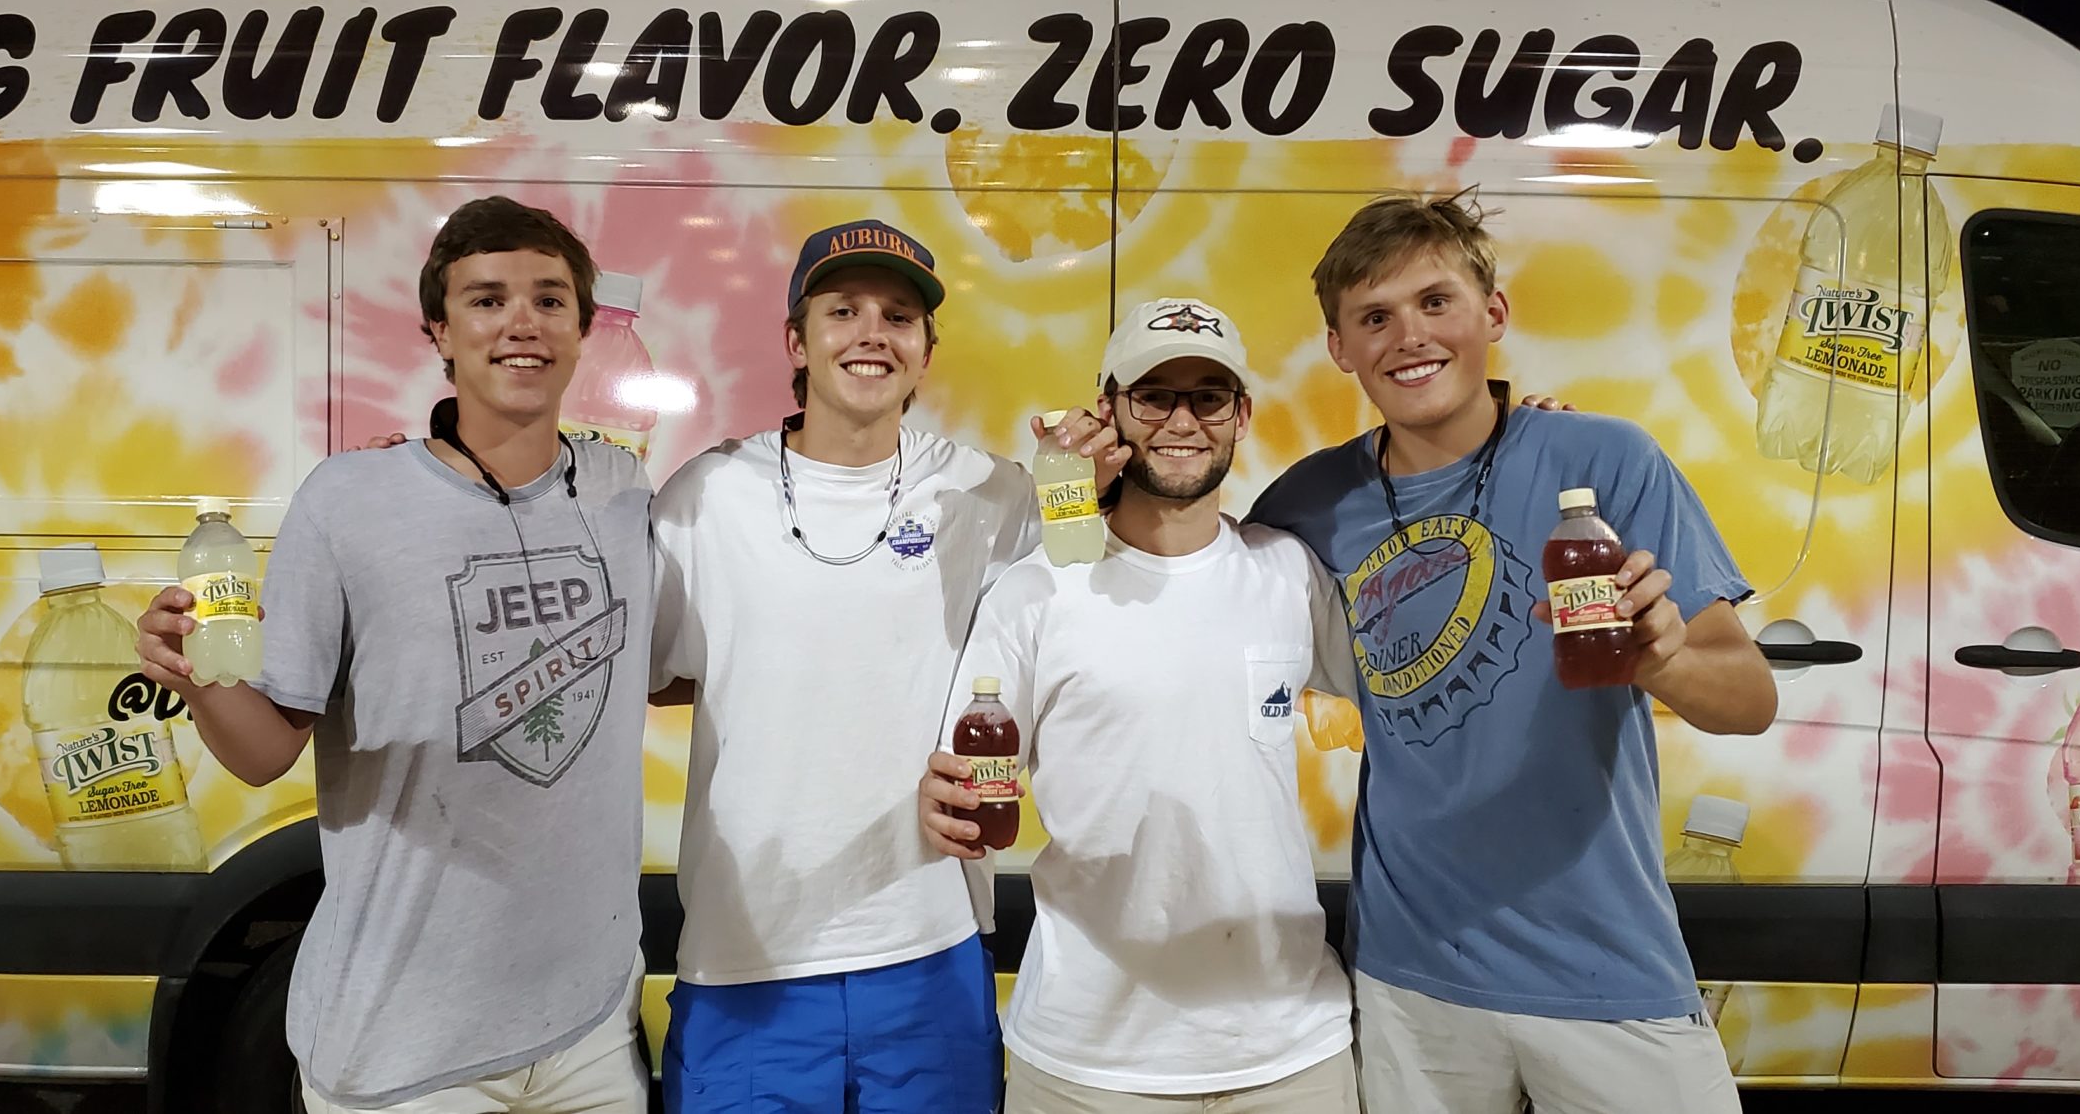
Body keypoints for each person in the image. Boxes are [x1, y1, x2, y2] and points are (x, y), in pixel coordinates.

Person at [1245, 189, 1779, 1113]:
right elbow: (1187, 584)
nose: (1409, 336)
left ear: (1493, 314)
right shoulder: (1309, 503)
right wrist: (1070, 490)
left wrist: (1665, 664)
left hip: (1606, 965)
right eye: (1374, 317)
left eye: (1435, 302)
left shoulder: (1605, 461)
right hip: (1413, 975)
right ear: (1341, 348)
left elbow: (1749, 698)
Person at [134, 196, 656, 1113]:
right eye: (487, 301)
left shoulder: (619, 488)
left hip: (587, 1030)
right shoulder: (349, 500)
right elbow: (263, 752)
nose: (522, 323)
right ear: (439, 333)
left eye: (549, 299)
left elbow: (670, 665)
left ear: (582, 330)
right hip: (405, 1047)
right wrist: (192, 669)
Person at [646, 219, 1121, 1114]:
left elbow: (1080, 594)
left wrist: (1073, 476)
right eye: (844, 310)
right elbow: (658, 670)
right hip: (749, 954)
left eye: (900, 316)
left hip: (927, 949)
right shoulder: (705, 497)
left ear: (927, 349)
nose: (873, 332)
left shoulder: (991, 491)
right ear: (797, 339)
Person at [917, 297, 1363, 1113]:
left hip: (1291, 1052)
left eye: (1210, 395)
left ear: (1243, 416)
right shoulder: (1034, 589)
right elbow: (966, 777)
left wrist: (1513, 456)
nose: (1183, 420)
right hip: (1087, 1065)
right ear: (1108, 407)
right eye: (1155, 395)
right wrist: (940, 800)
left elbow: (1412, 689)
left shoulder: (1288, 572)